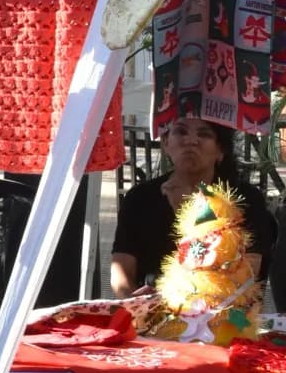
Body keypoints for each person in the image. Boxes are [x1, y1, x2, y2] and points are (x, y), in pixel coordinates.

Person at [110, 117, 274, 297]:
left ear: (221, 150)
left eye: (204, 134)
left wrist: (187, 213)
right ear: (165, 143)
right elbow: (120, 271)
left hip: (221, 313)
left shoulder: (245, 199)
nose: (190, 141)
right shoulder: (140, 198)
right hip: (149, 312)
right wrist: (136, 306)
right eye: (181, 131)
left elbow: (247, 276)